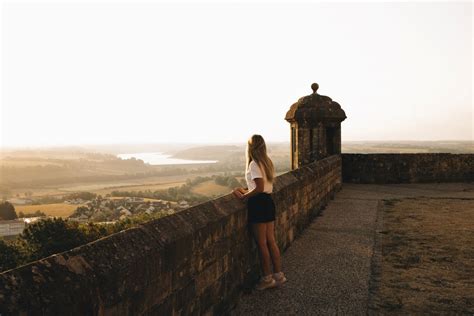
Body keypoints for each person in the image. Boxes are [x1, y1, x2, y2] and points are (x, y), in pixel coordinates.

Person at [232, 134, 287, 290]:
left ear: (250, 147)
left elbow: (259, 187)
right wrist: (246, 190)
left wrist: (244, 196)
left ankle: (267, 279)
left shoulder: (254, 164)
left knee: (262, 243)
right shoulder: (266, 162)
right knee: (271, 241)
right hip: (268, 202)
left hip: (258, 204)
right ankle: (279, 275)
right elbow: (261, 187)